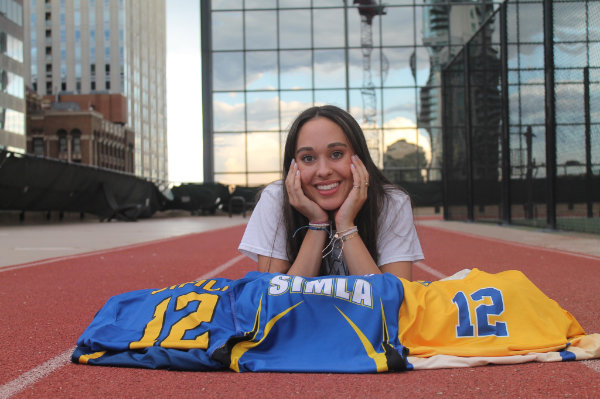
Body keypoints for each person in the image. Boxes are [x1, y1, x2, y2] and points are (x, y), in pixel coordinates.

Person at [238, 105, 423, 280]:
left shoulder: (391, 202)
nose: (323, 170)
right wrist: (317, 224)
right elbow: (274, 300)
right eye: (308, 158)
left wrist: (346, 226)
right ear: (293, 166)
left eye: (336, 154)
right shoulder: (276, 199)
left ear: (359, 157)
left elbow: (393, 302)